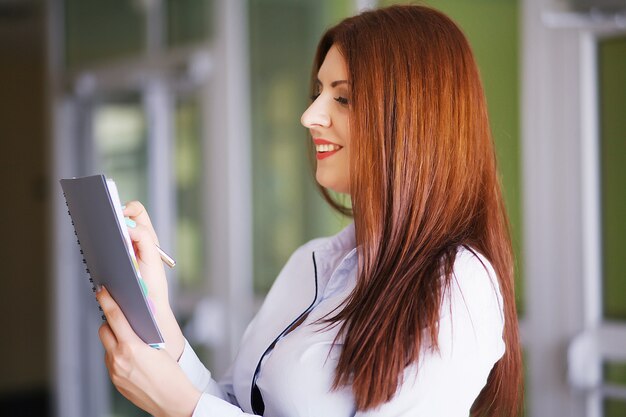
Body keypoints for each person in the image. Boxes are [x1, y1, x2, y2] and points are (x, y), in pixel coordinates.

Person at [96, 5, 523, 417]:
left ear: (414, 121)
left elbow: (200, 410)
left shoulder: (457, 283)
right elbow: (238, 405)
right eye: (319, 93)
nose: (309, 116)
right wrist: (161, 320)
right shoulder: (312, 263)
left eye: (344, 98)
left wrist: (183, 409)